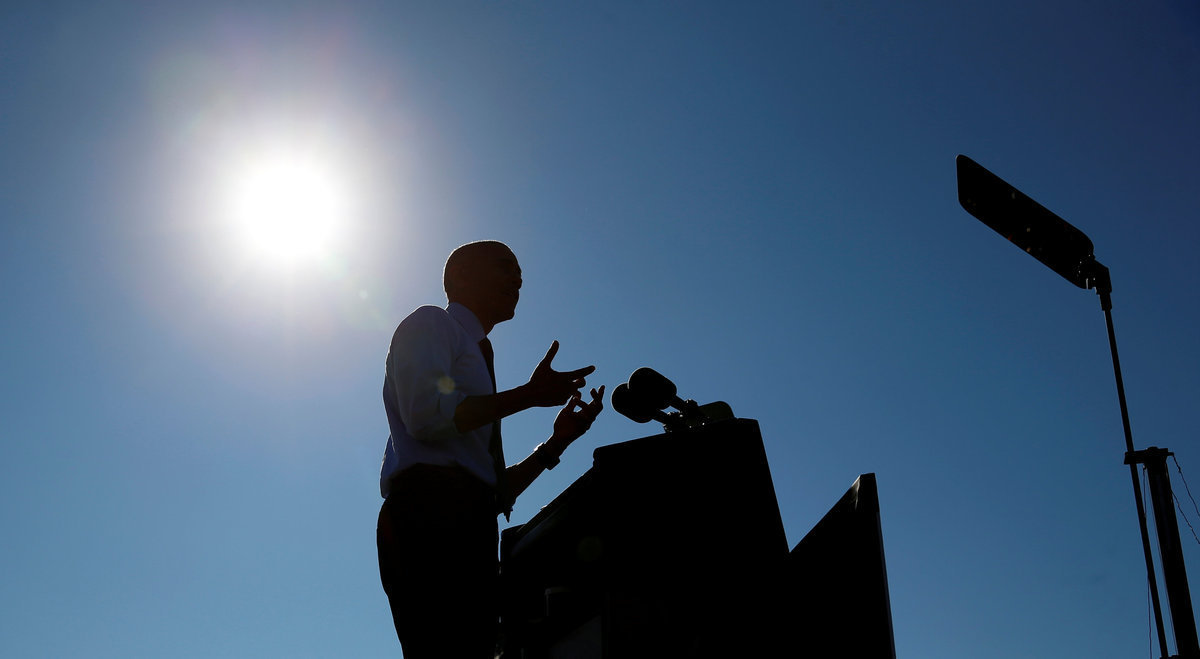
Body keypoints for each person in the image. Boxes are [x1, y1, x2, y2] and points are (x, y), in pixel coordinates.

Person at [376, 240, 604, 658]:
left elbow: (497, 491)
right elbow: (427, 417)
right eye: (505, 267)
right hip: (428, 517)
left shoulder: (478, 355)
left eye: (520, 272)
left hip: (469, 524)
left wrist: (559, 441)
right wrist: (529, 395)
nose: (517, 278)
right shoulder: (431, 324)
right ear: (460, 276)